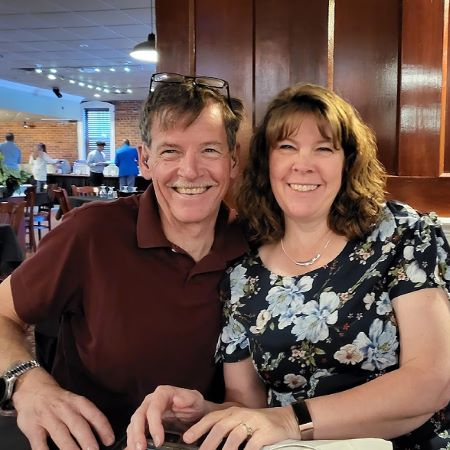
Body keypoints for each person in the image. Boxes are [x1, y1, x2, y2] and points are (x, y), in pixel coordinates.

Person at [127, 84, 450, 450]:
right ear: (266, 162)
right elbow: (248, 408)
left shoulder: (400, 234)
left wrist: (292, 420)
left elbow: (431, 380)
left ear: (347, 161)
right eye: (287, 147)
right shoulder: (242, 269)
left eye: (324, 148)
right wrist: (201, 412)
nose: (303, 164)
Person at [0, 73, 247, 449]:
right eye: (170, 151)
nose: (191, 170)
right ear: (145, 161)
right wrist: (28, 382)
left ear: (233, 161)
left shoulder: (256, 244)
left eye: (210, 150)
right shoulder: (91, 231)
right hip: (92, 440)